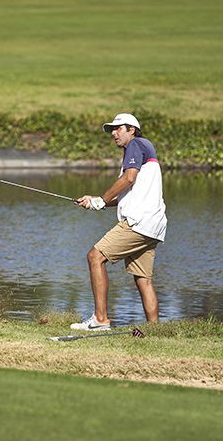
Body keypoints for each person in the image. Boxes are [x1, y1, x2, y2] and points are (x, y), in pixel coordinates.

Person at [73, 113, 167, 330]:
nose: (114, 133)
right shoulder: (144, 149)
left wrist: (101, 200)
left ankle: (100, 319)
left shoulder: (135, 145)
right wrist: (97, 201)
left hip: (138, 222)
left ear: (131, 129)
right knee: (142, 278)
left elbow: (129, 178)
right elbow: (128, 192)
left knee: (95, 257)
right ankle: (155, 329)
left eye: (118, 128)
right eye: (111, 130)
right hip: (153, 225)